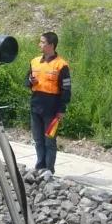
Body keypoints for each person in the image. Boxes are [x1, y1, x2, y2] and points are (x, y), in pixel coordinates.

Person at [26, 30, 71, 174]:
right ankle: (40, 166)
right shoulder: (34, 61)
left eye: (43, 42)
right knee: (38, 140)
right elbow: (26, 81)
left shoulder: (61, 65)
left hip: (52, 109)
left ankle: (49, 169)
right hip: (36, 106)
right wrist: (29, 81)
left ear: (51, 45)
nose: (40, 44)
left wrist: (62, 109)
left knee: (49, 141)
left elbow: (66, 89)